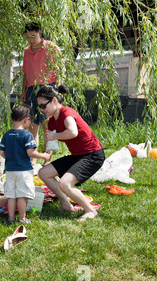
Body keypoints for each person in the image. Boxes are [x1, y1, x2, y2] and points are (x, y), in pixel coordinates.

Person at [36, 85, 105, 222]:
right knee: (43, 173)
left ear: (54, 100)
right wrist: (46, 158)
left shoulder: (67, 112)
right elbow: (52, 143)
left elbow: (73, 132)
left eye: (44, 105)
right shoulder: (52, 122)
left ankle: (90, 211)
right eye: (40, 107)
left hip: (93, 155)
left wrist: (54, 136)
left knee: (65, 183)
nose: (42, 109)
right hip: (77, 156)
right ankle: (66, 204)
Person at [0, 104, 51, 224]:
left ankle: (11, 219)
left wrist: (11, 158)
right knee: (22, 195)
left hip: (10, 170)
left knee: (11, 195)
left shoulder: (7, 134)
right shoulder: (27, 135)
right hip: (23, 171)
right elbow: (30, 152)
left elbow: (1, 152)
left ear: (12, 119)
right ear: (27, 119)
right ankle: (22, 219)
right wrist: (44, 155)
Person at [21, 23, 61, 165]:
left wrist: (57, 89)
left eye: (33, 36)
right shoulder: (27, 51)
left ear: (39, 33)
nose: (31, 40)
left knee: (47, 123)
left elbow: (59, 68)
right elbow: (25, 73)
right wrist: (23, 92)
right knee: (33, 124)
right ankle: (33, 158)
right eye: (28, 37)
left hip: (47, 88)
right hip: (32, 89)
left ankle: (48, 156)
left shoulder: (51, 47)